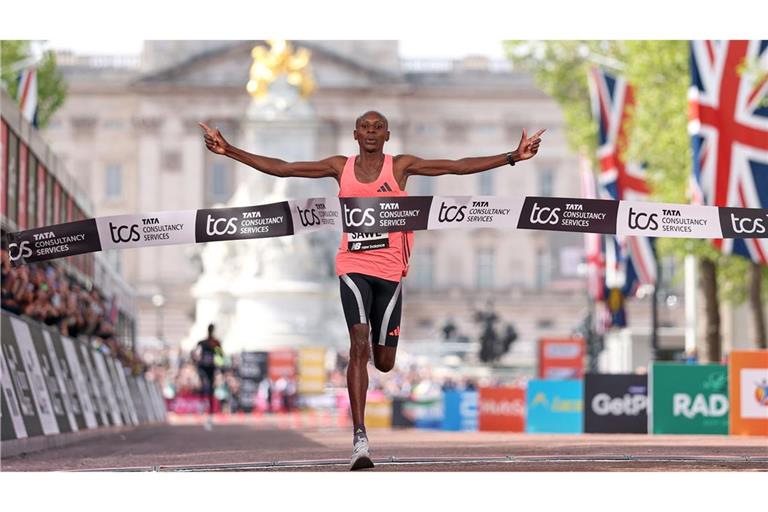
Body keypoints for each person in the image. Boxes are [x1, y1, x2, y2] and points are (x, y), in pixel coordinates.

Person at [200, 111, 544, 469]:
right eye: (364, 127)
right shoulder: (339, 167)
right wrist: (230, 151)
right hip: (352, 265)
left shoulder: (400, 167)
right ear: (354, 134)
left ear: (387, 135)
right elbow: (284, 168)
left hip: (391, 271)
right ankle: (359, 437)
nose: (370, 132)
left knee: (383, 361)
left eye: (377, 128)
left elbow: (456, 166)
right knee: (358, 342)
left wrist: (511, 157)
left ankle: (373, 381)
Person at [191, 323, 223, 430]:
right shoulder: (204, 342)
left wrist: (218, 364)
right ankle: (203, 406)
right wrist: (197, 361)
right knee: (204, 386)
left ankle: (208, 411)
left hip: (210, 368)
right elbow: (194, 352)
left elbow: (220, 355)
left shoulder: (215, 343)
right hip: (203, 368)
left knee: (209, 389)